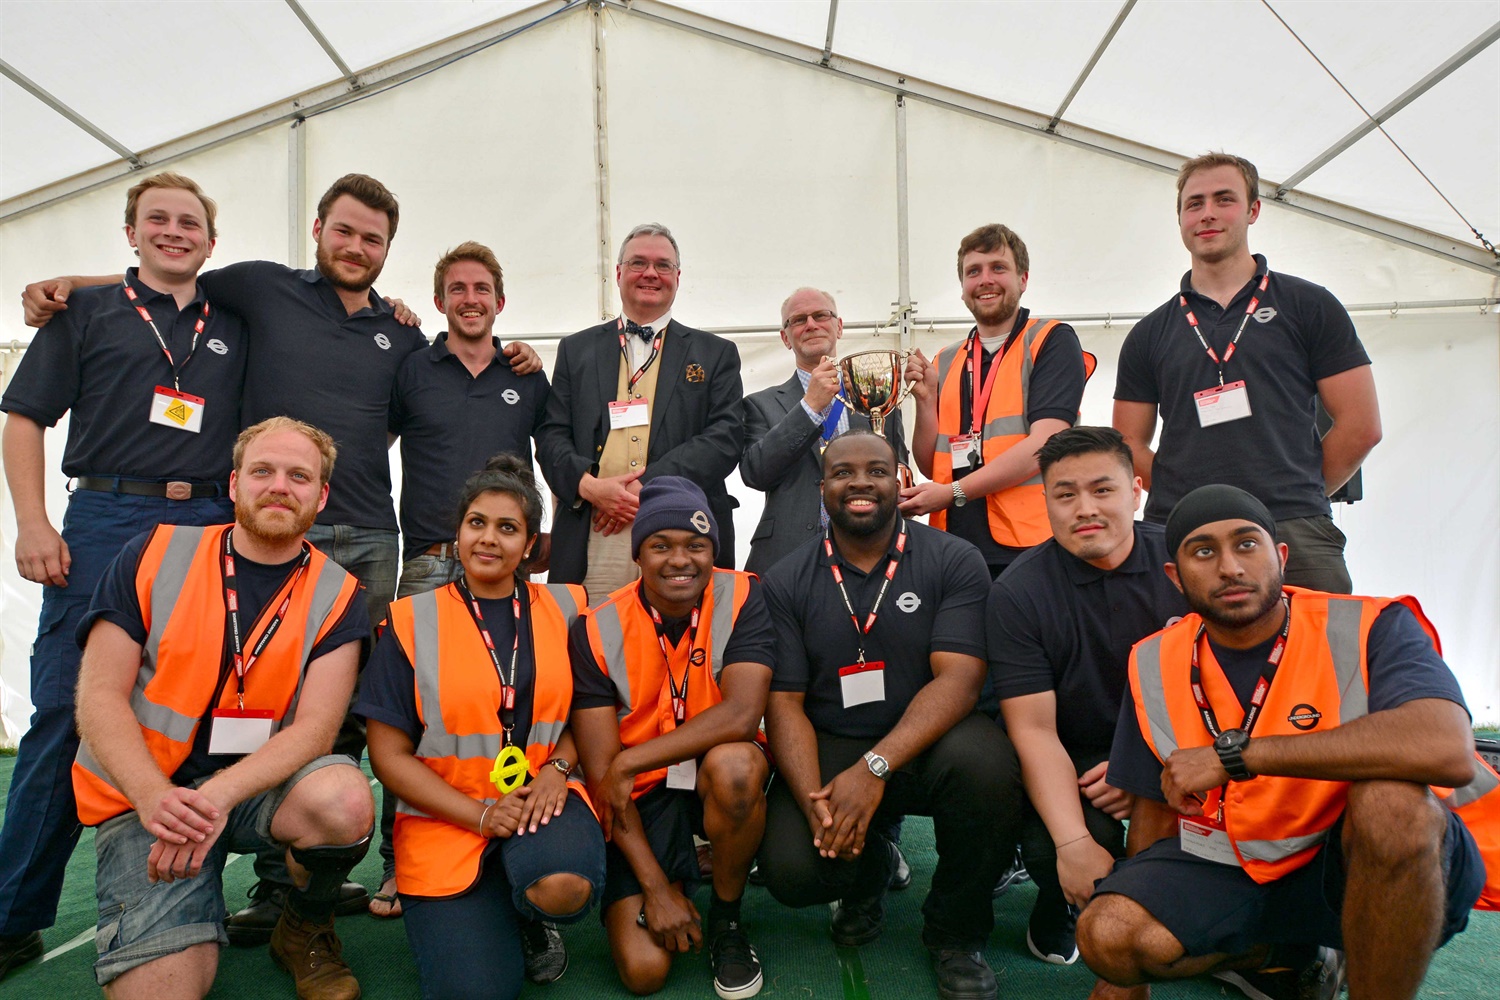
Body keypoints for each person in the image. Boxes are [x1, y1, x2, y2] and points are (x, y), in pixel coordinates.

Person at [1076, 484, 1494, 1000]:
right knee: (1107, 936)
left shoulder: (1372, 624)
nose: (1229, 567)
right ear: (1175, 577)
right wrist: (1123, 980)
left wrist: (1238, 757)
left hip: (1362, 862)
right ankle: (1286, 957)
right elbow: (1155, 807)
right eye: (1203, 552)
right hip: (1232, 862)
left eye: (1246, 544)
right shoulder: (1152, 659)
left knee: (1391, 802)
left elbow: (1446, 748)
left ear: (1281, 556)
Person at [0, 172, 244, 979]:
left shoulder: (235, 318)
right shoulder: (85, 313)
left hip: (209, 522)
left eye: (189, 223)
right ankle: (14, 915)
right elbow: (25, 417)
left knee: (204, 713)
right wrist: (33, 522)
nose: (174, 233)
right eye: (156, 221)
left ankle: (188, 900)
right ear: (131, 234)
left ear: (212, 241)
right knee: (67, 714)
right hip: (105, 518)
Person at [71, 417, 375, 1000]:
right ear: (234, 483)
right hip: (148, 799)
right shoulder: (154, 552)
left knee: (341, 797)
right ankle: (186, 905)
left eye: (298, 476)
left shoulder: (340, 593)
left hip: (245, 792)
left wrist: (212, 800)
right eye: (263, 471)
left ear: (322, 495)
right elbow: (99, 694)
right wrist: (156, 799)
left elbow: (315, 730)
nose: (279, 486)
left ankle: (303, 929)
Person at [759, 430, 1024, 1000]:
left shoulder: (954, 558)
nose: (860, 482)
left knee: (988, 766)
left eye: (877, 470)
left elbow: (960, 679)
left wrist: (873, 768)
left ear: (901, 480)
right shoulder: (785, 577)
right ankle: (865, 873)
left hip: (931, 742)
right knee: (791, 871)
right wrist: (816, 809)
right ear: (822, 487)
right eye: (843, 472)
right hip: (834, 737)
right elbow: (782, 702)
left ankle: (955, 934)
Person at [354, 455, 605, 999]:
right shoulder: (410, 620)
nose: (489, 539)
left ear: (531, 544)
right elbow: (388, 755)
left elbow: (588, 710)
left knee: (562, 887)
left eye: (507, 528)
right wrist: (481, 814)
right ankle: (491, 898)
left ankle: (527, 905)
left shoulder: (567, 607)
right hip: (447, 818)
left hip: (542, 798)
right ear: (459, 531)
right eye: (477, 523)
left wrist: (560, 768)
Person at [372, 243, 551, 917]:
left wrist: (542, 538)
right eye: (456, 288)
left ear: (500, 302)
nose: (470, 298)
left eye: (482, 288)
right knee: (411, 716)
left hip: (506, 561)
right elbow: (372, 443)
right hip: (427, 560)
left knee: (507, 706)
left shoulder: (526, 373)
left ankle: (517, 833)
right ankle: (398, 861)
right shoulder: (411, 369)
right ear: (440, 298)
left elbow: (554, 452)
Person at [1112, 152, 1382, 594]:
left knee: (1317, 657)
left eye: (1224, 199)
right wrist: (1187, 499)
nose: (1208, 214)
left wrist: (1301, 491)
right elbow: (1128, 442)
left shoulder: (1309, 305)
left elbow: (1362, 425)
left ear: (1253, 209)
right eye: (1194, 204)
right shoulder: (1150, 333)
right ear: (1180, 218)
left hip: (1292, 527)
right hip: (1181, 532)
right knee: (1185, 660)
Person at [987, 427, 1188, 968]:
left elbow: (1227, 690)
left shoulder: (1188, 563)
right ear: (1045, 501)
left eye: (1103, 490)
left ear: (1136, 490)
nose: (1085, 509)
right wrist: (1073, 846)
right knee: (1075, 839)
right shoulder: (1018, 592)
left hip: (1175, 752)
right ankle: (1059, 904)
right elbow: (1032, 729)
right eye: (1065, 494)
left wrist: (1146, 772)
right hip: (1074, 757)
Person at [569, 477, 775, 999]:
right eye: (661, 545)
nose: (680, 560)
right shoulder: (595, 626)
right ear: (638, 555)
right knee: (644, 973)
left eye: (696, 545)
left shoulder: (745, 594)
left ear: (714, 550)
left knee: (736, 767)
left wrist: (628, 760)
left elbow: (742, 714)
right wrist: (655, 890)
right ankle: (672, 876)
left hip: (710, 772)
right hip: (640, 796)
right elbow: (602, 775)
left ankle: (727, 919)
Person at [536, 224, 743, 599]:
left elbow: (725, 438)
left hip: (684, 530)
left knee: (683, 649)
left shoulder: (716, 354)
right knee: (594, 644)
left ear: (678, 278)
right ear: (618, 274)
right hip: (596, 531)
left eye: (663, 266)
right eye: (638, 263)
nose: (650, 273)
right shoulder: (575, 350)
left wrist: (643, 488)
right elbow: (551, 435)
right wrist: (591, 488)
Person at [901, 224, 1094, 580]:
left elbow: (1045, 444)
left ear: (1023, 279)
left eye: (998, 268)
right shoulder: (946, 359)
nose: (985, 279)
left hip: (1032, 545)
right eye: (973, 272)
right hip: (954, 546)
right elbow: (934, 466)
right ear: (962, 289)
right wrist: (925, 403)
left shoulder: (1049, 340)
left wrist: (953, 492)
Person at [741, 286, 910, 576]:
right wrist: (810, 406)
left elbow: (899, 467)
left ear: (839, 326)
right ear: (785, 337)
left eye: (821, 315)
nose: (811, 324)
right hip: (787, 555)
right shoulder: (760, 404)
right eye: (799, 319)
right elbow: (756, 473)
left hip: (871, 550)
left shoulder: (878, 396)